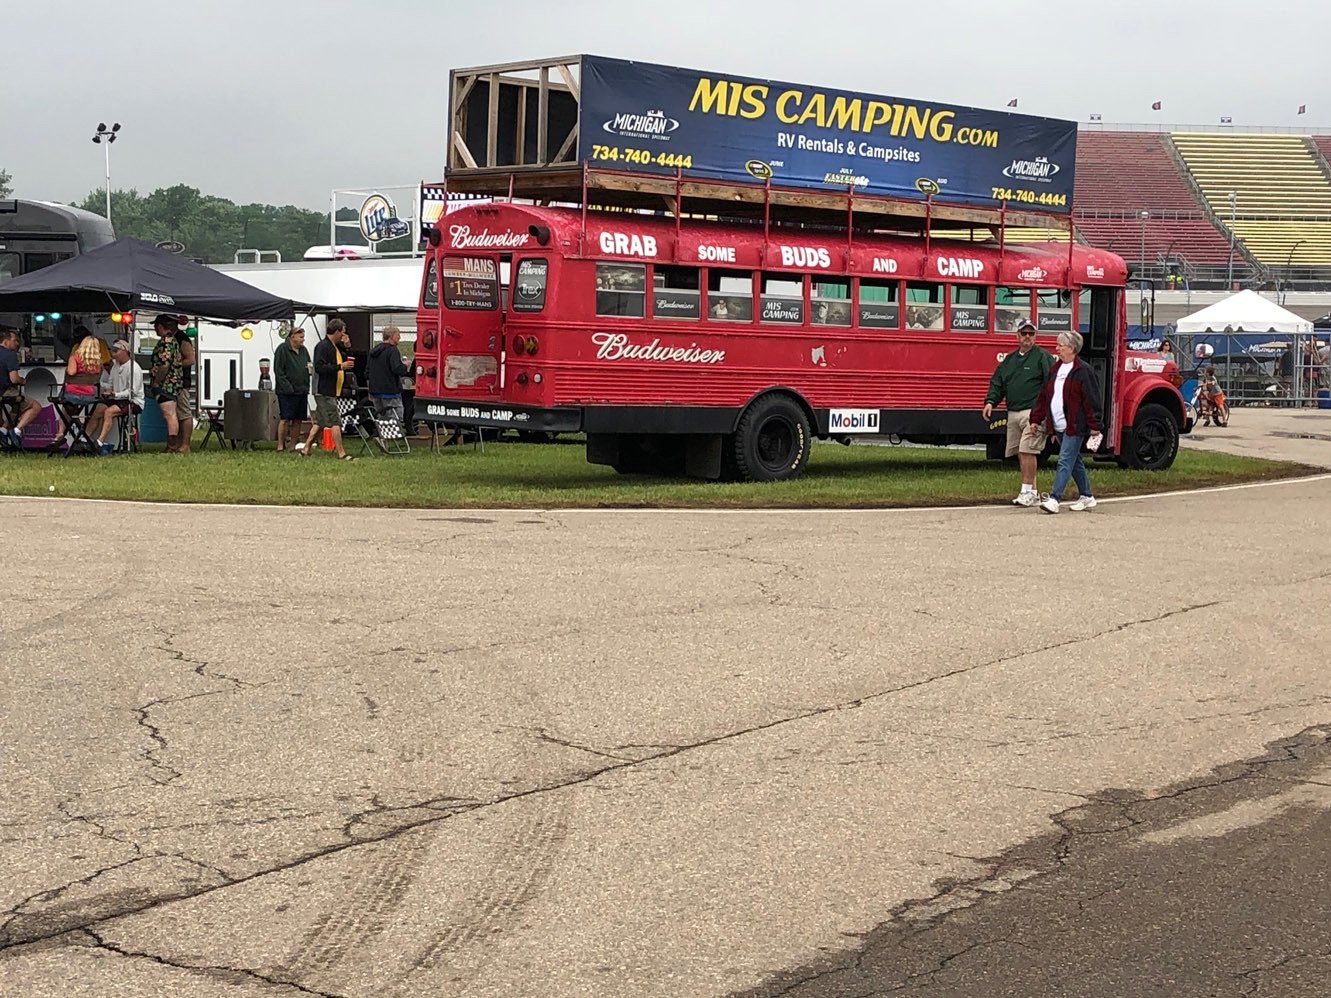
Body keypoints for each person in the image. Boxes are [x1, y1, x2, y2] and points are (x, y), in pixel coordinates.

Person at [983, 319, 1053, 506]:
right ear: (1017, 336)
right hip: (1013, 411)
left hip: (1033, 413)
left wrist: (1045, 412)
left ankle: (1026, 491)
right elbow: (998, 382)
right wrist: (990, 402)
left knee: (1027, 450)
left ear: (1035, 336)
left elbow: (1050, 384)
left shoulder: (1042, 357)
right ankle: (1033, 492)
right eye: (1024, 333)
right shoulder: (1010, 360)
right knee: (1021, 453)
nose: (1027, 337)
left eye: (1031, 333)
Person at [1030, 331, 1102, 514]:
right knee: (1074, 460)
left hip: (1075, 425)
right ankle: (1087, 496)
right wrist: (1036, 418)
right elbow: (1044, 396)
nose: (1057, 349)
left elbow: (1091, 399)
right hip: (1058, 425)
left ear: (1071, 348)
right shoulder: (1055, 369)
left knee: (1064, 460)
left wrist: (1094, 425)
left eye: (1060, 345)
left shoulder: (1083, 371)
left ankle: (1054, 498)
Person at [300, 318, 354, 460]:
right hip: (324, 390)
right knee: (335, 421)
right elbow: (319, 367)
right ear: (336, 332)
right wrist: (340, 367)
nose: (344, 335)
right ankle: (341, 453)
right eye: (342, 332)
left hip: (331, 389)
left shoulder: (334, 346)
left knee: (320, 422)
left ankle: (305, 449)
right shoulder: (323, 346)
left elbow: (344, 358)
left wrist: (347, 346)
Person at [88, 339, 145, 454]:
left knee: (109, 412)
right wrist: (100, 386)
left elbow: (132, 392)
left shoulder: (134, 368)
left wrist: (115, 394)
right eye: (112, 350)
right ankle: (85, 438)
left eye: (116, 350)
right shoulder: (115, 366)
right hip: (118, 399)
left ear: (125, 351)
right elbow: (110, 383)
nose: (112, 353)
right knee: (98, 410)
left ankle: (99, 442)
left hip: (134, 401)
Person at [0, 327, 42, 446]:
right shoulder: (10, 355)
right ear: (6, 341)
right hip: (4, 391)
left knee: (17, 406)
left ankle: (3, 430)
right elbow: (14, 379)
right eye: (15, 340)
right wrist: (22, 381)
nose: (17, 343)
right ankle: (16, 431)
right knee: (35, 406)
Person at [272, 328, 311, 453]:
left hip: (302, 390)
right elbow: (278, 370)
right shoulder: (282, 349)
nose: (303, 339)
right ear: (292, 337)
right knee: (285, 418)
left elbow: (309, 364)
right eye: (300, 337)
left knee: (298, 419)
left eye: (303, 337)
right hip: (286, 391)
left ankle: (293, 445)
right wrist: (287, 387)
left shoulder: (304, 350)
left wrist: (308, 377)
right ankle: (280, 445)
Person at [149, 315, 184, 447]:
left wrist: (157, 381)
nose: (154, 329)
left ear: (160, 326)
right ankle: (172, 444)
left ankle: (172, 445)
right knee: (170, 414)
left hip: (167, 384)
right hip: (171, 383)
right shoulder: (172, 340)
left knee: (169, 414)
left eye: (155, 326)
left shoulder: (166, 342)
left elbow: (164, 365)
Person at [367, 325, 410, 427]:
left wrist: (370, 389)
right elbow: (396, 369)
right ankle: (395, 434)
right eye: (397, 335)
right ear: (391, 336)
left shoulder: (373, 351)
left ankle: (382, 434)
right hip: (390, 391)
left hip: (376, 391)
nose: (399, 337)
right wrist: (405, 365)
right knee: (395, 418)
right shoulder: (392, 350)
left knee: (382, 419)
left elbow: (367, 372)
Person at [169, 320, 196, 454]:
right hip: (171, 383)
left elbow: (191, 359)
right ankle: (176, 444)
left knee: (184, 413)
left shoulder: (182, 338)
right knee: (175, 414)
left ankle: (185, 445)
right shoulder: (169, 339)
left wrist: (173, 365)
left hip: (181, 382)